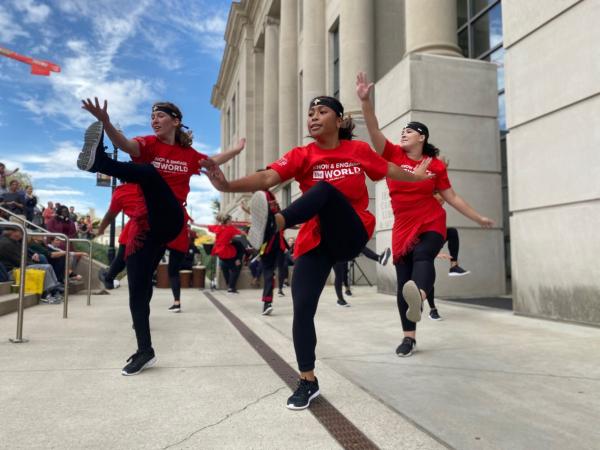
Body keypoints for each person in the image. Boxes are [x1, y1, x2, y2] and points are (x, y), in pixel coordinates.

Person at [206, 95, 431, 410]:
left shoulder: (358, 151)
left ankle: (276, 223)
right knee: (303, 308)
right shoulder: (303, 154)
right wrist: (228, 186)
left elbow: (390, 169)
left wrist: (417, 176)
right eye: (310, 113)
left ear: (339, 120)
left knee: (324, 189)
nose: (312, 117)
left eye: (321, 112)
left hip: (350, 231)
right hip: (315, 240)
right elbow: (269, 178)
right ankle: (307, 380)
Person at [77, 97, 245, 376]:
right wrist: (106, 123)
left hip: (171, 218)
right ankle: (145, 350)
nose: (154, 120)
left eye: (160, 116)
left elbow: (212, 161)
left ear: (175, 121)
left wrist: (236, 150)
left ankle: (99, 162)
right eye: (151, 116)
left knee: (147, 173)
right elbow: (126, 145)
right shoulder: (147, 144)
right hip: (146, 228)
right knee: (138, 288)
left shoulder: (188, 155)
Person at [357, 72, 493, 357]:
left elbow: (451, 197)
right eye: (403, 130)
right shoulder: (393, 154)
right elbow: (373, 131)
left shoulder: (435, 166)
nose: (404, 133)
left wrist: (478, 218)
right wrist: (366, 102)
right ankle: (409, 337)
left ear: (422, 137)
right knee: (402, 281)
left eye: (410, 130)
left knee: (423, 256)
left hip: (431, 221)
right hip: (402, 225)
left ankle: (418, 296)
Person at [207, 214, 243, 294]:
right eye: (230, 220)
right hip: (225, 252)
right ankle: (230, 287)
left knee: (230, 268)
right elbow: (241, 232)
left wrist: (238, 259)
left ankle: (230, 286)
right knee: (230, 268)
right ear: (227, 221)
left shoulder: (220, 228)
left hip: (223, 253)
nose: (231, 221)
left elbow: (209, 227)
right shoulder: (229, 229)